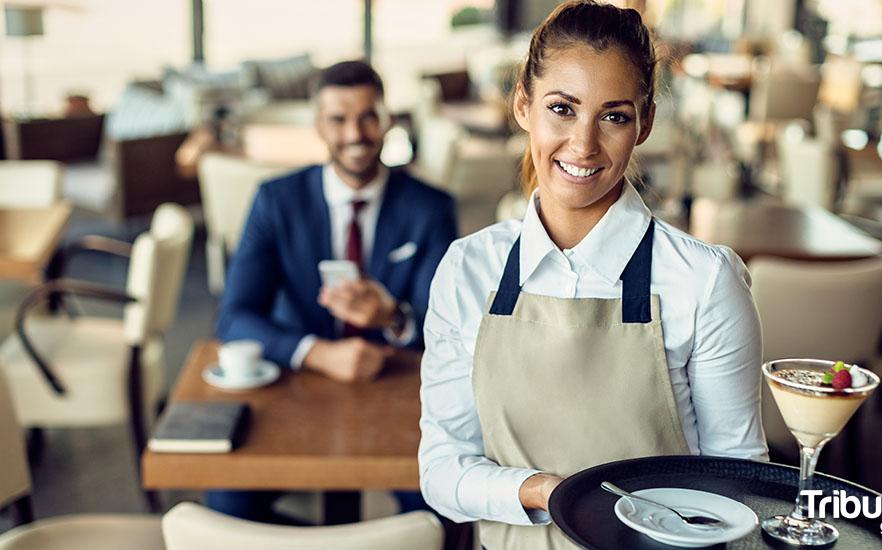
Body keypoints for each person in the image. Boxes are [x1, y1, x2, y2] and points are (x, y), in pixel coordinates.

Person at [418, 2, 767, 548]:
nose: (583, 145)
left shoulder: (704, 282)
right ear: (523, 105)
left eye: (613, 116)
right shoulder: (469, 269)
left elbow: (740, 484)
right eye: (562, 109)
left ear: (645, 123)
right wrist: (546, 491)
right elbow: (441, 472)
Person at [212, 60, 457, 523]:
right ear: (318, 126)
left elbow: (446, 328)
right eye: (338, 119)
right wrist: (318, 353)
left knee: (441, 512)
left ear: (387, 121)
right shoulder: (275, 201)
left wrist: (394, 317)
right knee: (226, 507)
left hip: (400, 395)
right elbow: (234, 316)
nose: (354, 134)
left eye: (368, 116)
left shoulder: (430, 208)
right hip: (294, 391)